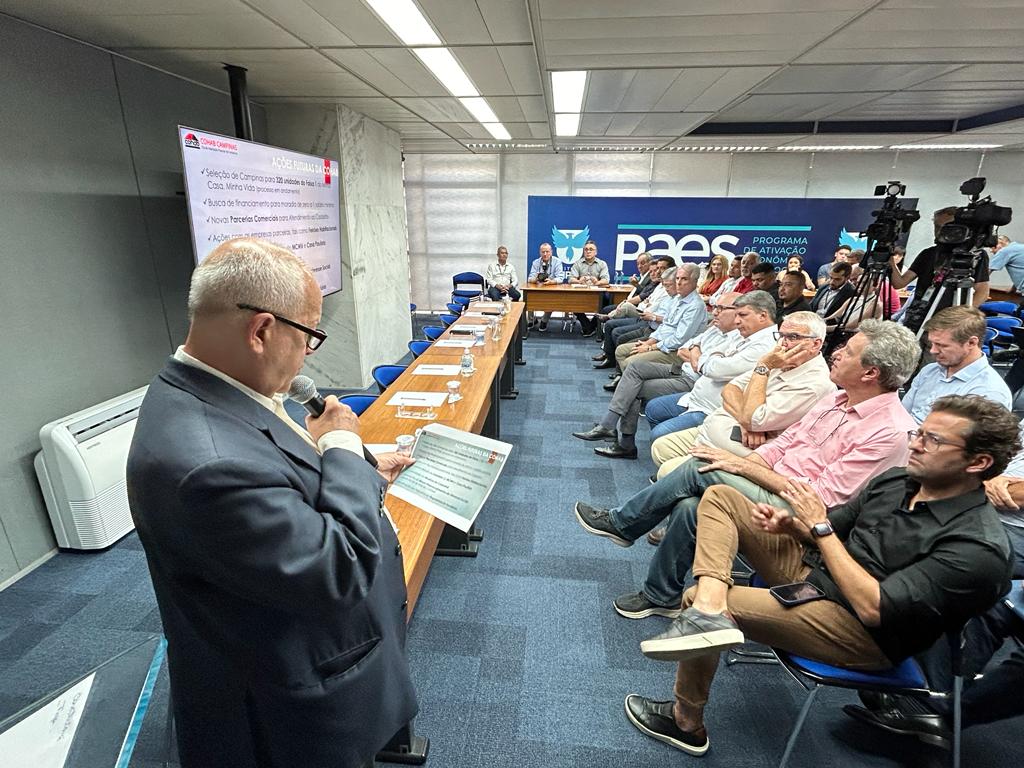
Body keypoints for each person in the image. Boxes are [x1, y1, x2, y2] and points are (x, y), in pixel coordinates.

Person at [127, 238, 418, 768]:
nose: (309, 353)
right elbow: (339, 568)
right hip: (284, 712)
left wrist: (358, 470)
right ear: (261, 330)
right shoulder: (209, 463)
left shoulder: (209, 389)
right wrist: (343, 446)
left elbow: (279, 488)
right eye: (309, 335)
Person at [624, 395, 1016, 757]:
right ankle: (710, 605)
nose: (914, 444)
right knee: (721, 497)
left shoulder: (977, 547)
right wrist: (792, 526)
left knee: (696, 598)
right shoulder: (898, 481)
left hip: (862, 632)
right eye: (919, 433)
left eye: (932, 440)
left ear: (978, 463)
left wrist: (819, 529)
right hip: (819, 574)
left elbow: (873, 607)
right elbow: (829, 526)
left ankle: (686, 722)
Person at [574, 320, 920, 618]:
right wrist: (748, 466)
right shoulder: (837, 398)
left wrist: (741, 468)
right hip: (775, 487)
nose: (837, 351)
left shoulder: (889, 432)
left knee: (701, 468)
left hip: (803, 517)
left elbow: (821, 497)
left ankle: (623, 524)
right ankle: (659, 595)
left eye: (848, 350)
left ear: (871, 373)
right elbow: (784, 443)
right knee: (689, 505)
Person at [844, 418, 1024, 745]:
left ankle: (944, 715)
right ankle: (927, 694)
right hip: (980, 509)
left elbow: (1000, 481)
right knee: (991, 605)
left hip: (1013, 532)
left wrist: (985, 481)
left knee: (975, 566)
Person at [649, 311, 836, 477]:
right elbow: (730, 389)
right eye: (781, 336)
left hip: (741, 453)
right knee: (660, 448)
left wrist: (763, 367)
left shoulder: (814, 384)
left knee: (667, 470)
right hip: (718, 428)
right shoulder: (782, 359)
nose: (783, 344)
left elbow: (755, 418)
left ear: (815, 344)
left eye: (793, 337)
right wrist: (745, 421)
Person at [574, 293, 741, 460]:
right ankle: (611, 428)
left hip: (693, 381)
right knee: (635, 368)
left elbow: (704, 366)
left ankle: (621, 439)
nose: (715, 312)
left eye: (721, 308)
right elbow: (684, 349)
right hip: (681, 368)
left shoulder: (737, 340)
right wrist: (698, 353)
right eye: (716, 307)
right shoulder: (715, 330)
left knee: (632, 388)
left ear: (738, 313)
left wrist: (696, 353)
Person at [640, 291, 779, 441]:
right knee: (653, 408)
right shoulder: (748, 334)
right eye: (736, 315)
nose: (737, 321)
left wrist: (707, 357)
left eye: (743, 315)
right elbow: (706, 355)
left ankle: (679, 450)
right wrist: (708, 356)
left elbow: (714, 369)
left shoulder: (764, 346)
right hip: (696, 398)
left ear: (763, 316)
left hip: (713, 410)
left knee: (660, 434)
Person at [902, 305, 1011, 423]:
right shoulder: (929, 371)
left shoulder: (989, 392)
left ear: (971, 343)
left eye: (942, 345)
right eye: (932, 343)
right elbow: (902, 414)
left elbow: (972, 440)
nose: (933, 351)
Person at [889, 207, 991, 333]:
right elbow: (899, 283)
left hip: (947, 320)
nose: (939, 231)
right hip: (918, 317)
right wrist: (890, 260)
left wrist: (959, 319)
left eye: (945, 226)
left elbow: (982, 292)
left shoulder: (974, 255)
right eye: (936, 226)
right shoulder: (928, 254)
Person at [613, 263, 707, 371]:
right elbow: (664, 326)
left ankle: (633, 381)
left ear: (694, 281)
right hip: (661, 343)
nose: (679, 283)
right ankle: (631, 380)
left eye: (684, 279)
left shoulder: (695, 306)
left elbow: (679, 339)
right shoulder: (677, 299)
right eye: (677, 278)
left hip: (676, 351)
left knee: (631, 362)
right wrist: (649, 342)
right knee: (621, 351)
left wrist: (650, 347)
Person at [593, 259, 674, 369]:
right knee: (611, 320)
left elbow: (649, 305)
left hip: (650, 323)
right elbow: (647, 302)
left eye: (662, 268)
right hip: (647, 320)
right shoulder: (658, 285)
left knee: (618, 326)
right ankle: (609, 357)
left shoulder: (669, 291)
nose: (658, 272)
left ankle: (619, 369)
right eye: (656, 269)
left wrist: (651, 344)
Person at [569, 240, 610, 336]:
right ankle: (587, 325)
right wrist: (579, 281)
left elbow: (606, 280)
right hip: (581, 294)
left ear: (596, 252)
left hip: (597, 294)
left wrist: (598, 282)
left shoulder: (601, 264)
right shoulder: (578, 263)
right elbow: (571, 279)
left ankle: (590, 327)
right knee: (572, 302)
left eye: (591, 249)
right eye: (586, 249)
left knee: (607, 302)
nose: (588, 251)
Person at [527, 242, 564, 331]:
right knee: (528, 297)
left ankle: (544, 320)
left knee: (552, 299)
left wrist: (552, 281)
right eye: (543, 252)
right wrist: (535, 279)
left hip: (551, 288)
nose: (545, 254)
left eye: (547, 251)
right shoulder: (535, 262)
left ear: (551, 252)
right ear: (540, 252)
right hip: (538, 287)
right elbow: (530, 279)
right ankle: (532, 320)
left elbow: (560, 278)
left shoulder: (557, 262)